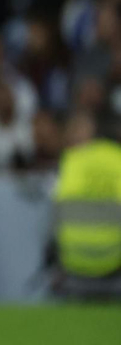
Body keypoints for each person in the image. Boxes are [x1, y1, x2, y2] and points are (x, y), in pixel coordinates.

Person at [49, 117, 121, 298]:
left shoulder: (71, 160)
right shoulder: (117, 158)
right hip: (114, 263)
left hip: (73, 263)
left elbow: (53, 217)